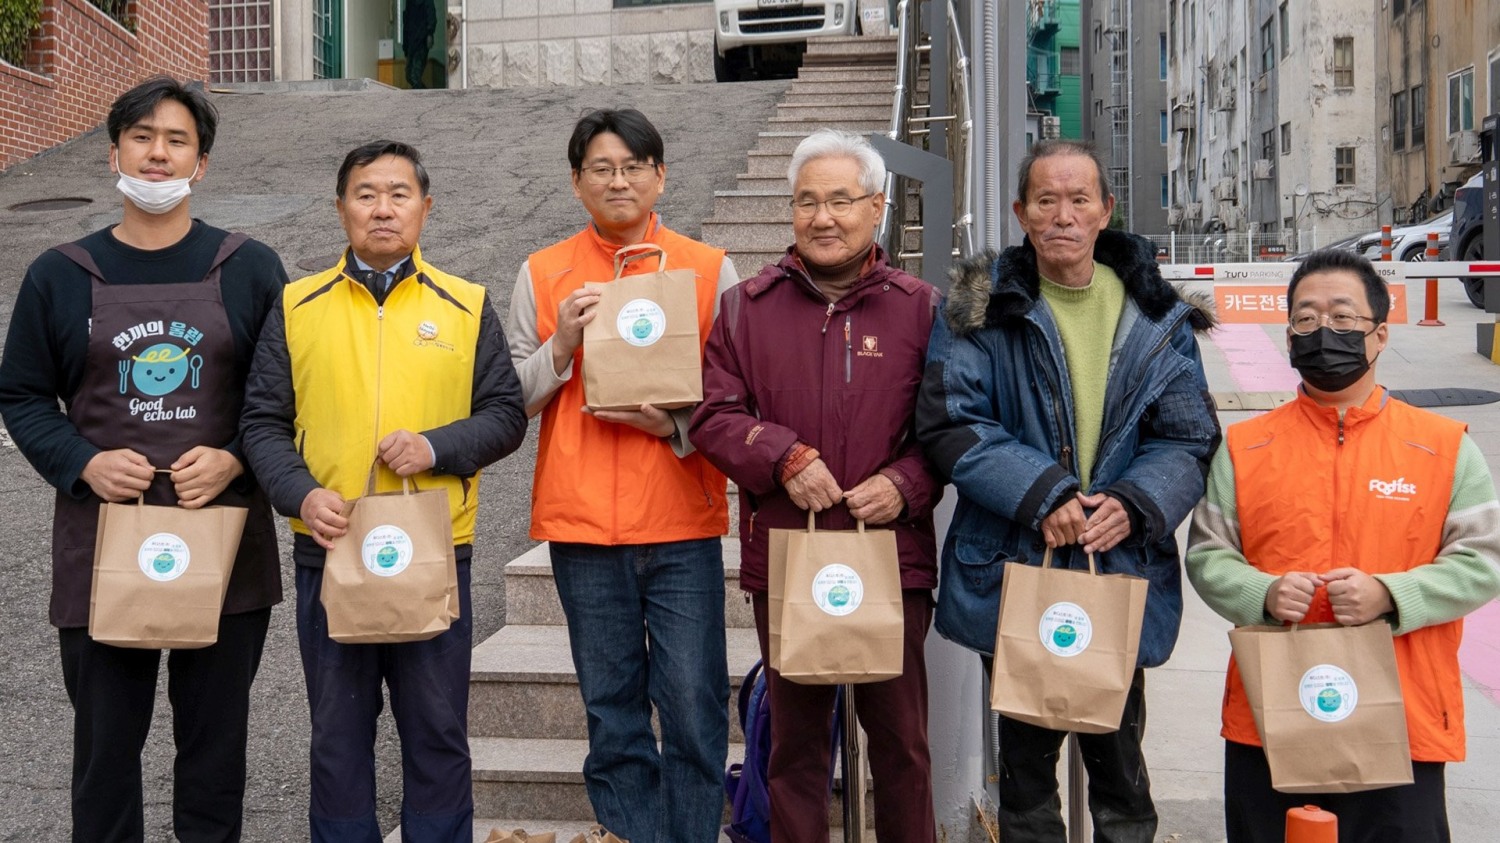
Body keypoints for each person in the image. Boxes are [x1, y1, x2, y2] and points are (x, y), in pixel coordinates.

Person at [0, 76, 286, 842]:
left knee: (215, 752)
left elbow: (287, 398)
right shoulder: (60, 274)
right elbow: (22, 394)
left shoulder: (251, 268)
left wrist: (234, 461)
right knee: (104, 756)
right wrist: (82, 462)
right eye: (142, 137)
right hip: (103, 544)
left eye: (177, 140)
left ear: (202, 164)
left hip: (223, 542)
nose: (158, 153)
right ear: (113, 153)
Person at [915, 138, 1220, 842]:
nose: (1063, 215)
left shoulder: (1157, 314)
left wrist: (1136, 503)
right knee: (1023, 776)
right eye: (1045, 200)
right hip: (1018, 562)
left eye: (1079, 199)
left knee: (1120, 771)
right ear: (1021, 212)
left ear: (1105, 210)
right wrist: (1043, 493)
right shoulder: (978, 308)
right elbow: (952, 421)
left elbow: (1188, 434)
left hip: (1116, 564)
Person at [240, 140, 526, 842]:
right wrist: (300, 494)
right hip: (330, 548)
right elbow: (263, 421)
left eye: (399, 193)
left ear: (426, 207)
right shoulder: (297, 305)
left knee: (436, 731)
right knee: (337, 736)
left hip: (432, 547)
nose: (383, 207)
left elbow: (505, 414)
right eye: (366, 193)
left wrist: (436, 446)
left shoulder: (465, 305)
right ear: (341, 208)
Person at [1184, 248, 1500, 843]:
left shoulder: (1442, 445)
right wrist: (1264, 592)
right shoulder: (1248, 447)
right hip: (1272, 713)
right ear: (1288, 336)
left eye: (1342, 318)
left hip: (1403, 720)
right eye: (1305, 319)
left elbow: (1484, 559)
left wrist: (1392, 593)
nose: (1322, 332)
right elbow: (1207, 554)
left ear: (1379, 335)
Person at [690, 128, 942, 842]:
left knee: (903, 749)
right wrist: (782, 456)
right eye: (807, 201)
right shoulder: (746, 307)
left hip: (893, 559)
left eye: (841, 200)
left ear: (877, 208)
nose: (823, 217)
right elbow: (712, 413)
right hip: (790, 560)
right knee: (794, 749)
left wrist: (907, 482)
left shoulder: (921, 308)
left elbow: (953, 430)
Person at [505, 108, 738, 843]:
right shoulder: (542, 272)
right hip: (582, 529)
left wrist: (671, 426)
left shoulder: (707, 267)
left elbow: (739, 397)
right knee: (613, 713)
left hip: (679, 519)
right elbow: (511, 398)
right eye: (601, 168)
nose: (619, 180)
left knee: (696, 709)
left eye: (634, 165)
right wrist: (563, 343)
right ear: (576, 183)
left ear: (660, 174)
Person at [402, 0, 436, 89]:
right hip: (412, 42)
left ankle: (422, 98)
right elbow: (406, 25)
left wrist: (429, 33)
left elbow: (431, 15)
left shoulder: (426, 2)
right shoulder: (409, 3)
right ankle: (424, 96)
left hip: (421, 41)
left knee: (414, 77)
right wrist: (405, 47)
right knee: (409, 76)